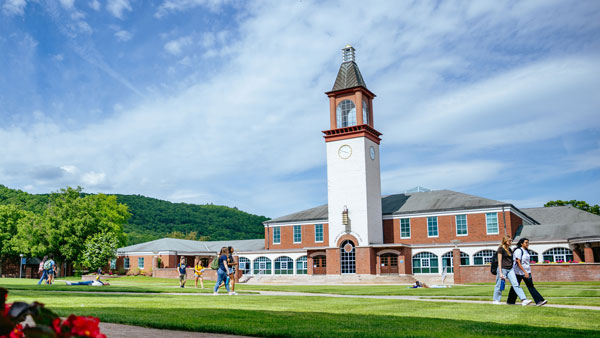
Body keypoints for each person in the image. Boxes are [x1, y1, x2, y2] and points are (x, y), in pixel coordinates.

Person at [507, 238, 547, 306]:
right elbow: (518, 262)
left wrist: (527, 271)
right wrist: (524, 272)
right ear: (521, 243)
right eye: (526, 242)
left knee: (522, 286)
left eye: (528, 242)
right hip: (519, 272)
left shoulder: (526, 251)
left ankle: (510, 301)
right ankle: (539, 301)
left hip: (526, 271)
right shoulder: (518, 251)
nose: (527, 244)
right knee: (519, 286)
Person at [492, 236, 532, 306]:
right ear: (505, 241)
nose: (511, 242)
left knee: (516, 284)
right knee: (499, 285)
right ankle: (496, 300)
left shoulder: (510, 249)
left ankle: (523, 300)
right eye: (510, 241)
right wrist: (500, 273)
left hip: (510, 269)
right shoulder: (501, 249)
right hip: (502, 269)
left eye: (511, 241)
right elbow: (499, 261)